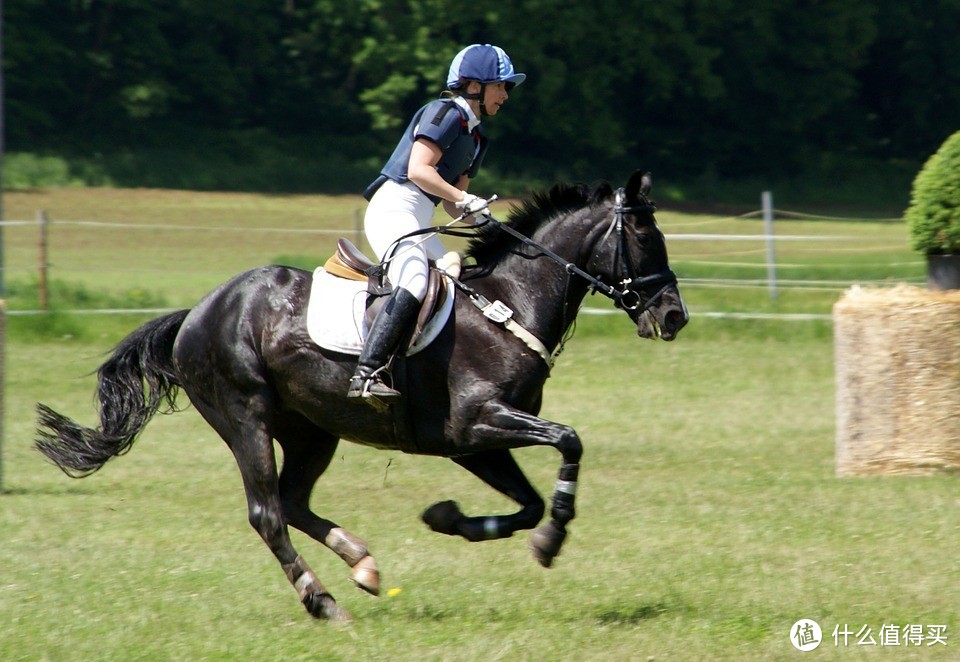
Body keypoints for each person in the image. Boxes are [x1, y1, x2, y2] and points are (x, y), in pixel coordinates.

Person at [347, 44, 526, 404]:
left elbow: (449, 202)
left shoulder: (476, 138)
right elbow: (418, 170)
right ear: (474, 85)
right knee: (413, 281)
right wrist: (464, 199)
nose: (506, 95)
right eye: (501, 86)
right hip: (394, 206)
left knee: (453, 274)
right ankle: (366, 373)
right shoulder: (444, 112)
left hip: (421, 215)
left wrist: (480, 217)